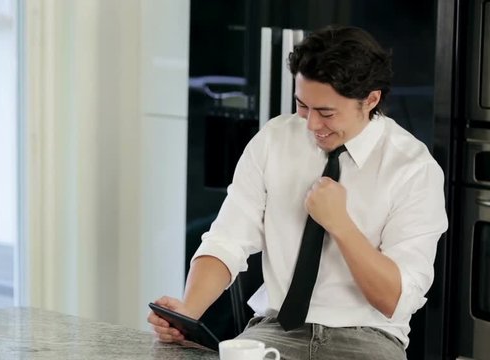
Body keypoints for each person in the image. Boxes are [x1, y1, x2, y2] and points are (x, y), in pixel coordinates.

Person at [147, 25, 448, 360]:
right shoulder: (273, 140)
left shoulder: (413, 168)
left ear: (371, 99)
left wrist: (341, 226)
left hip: (368, 340)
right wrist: (188, 312)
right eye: (303, 106)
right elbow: (226, 241)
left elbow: (395, 298)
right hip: (275, 330)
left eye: (326, 112)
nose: (310, 125)